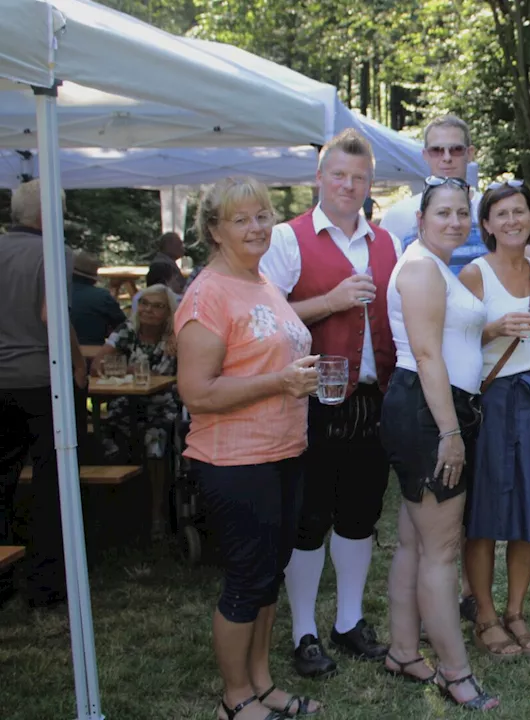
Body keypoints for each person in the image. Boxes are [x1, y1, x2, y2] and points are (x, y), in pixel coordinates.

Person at [175, 177, 321, 720]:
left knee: (269, 574)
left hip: (284, 450)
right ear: (214, 231)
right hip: (235, 460)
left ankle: (262, 684)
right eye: (241, 219)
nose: (257, 227)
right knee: (245, 579)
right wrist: (279, 383)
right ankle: (234, 698)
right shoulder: (207, 294)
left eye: (263, 215)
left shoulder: (262, 283)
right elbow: (196, 391)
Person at [259, 129, 396, 678]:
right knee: (309, 520)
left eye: (358, 178)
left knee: (360, 517)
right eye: (338, 175)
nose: (348, 185)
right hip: (311, 402)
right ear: (319, 178)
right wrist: (330, 302)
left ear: (369, 185)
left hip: (372, 399)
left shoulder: (386, 243)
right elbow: (263, 323)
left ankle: (348, 621)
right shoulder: (287, 240)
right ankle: (304, 632)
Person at [380, 176, 499, 710]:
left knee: (413, 541)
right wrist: (450, 433)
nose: (455, 221)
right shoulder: (423, 268)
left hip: (437, 407)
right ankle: (455, 672)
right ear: (421, 219)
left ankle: (404, 649)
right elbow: (428, 356)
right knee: (442, 551)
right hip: (431, 413)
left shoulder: (435, 266)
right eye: (444, 213)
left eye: (461, 213)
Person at [457, 181, 530, 660]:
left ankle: (516, 612)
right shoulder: (474, 274)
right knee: (483, 517)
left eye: (520, 212)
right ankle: (485, 616)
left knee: (528, 515)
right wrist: (494, 328)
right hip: (494, 401)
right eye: (502, 214)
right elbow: (447, 346)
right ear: (487, 226)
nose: (512, 220)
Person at [0, 178, 85, 610]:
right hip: (40, 380)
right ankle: (47, 583)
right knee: (55, 483)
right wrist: (76, 362)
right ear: (46, 215)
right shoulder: (52, 252)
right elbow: (53, 317)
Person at [100, 283, 180, 536]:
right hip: (125, 404)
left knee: (155, 440)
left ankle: (157, 514)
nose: (148, 310)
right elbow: (99, 364)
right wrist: (131, 370)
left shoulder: (176, 336)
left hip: (161, 406)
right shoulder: (128, 330)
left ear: (168, 312)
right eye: (144, 304)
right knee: (107, 437)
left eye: (158, 306)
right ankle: (120, 510)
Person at [378, 115, 488, 274]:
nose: (447, 158)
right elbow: (387, 276)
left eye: (456, 150)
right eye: (437, 150)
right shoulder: (399, 215)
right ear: (425, 155)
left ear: (470, 153)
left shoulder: (492, 210)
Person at [69, 252, 126, 346]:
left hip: (57, 352)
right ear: (93, 278)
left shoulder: (56, 294)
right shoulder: (103, 297)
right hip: (93, 354)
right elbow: (122, 326)